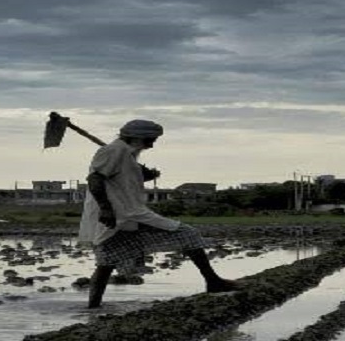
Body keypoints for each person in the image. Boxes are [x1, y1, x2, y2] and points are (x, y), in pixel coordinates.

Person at [78, 119, 240, 308]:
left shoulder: (126, 154)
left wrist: (147, 174)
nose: (152, 144)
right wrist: (105, 209)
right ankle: (213, 282)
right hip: (117, 213)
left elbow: (124, 179)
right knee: (187, 234)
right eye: (150, 140)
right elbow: (95, 178)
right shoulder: (113, 151)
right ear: (137, 137)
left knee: (107, 262)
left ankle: (93, 307)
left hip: (130, 212)